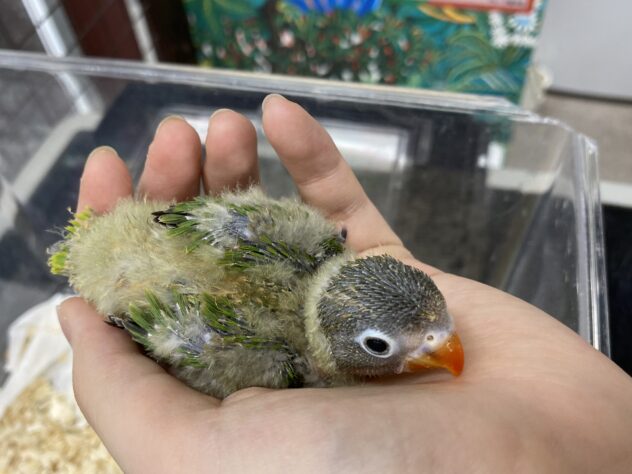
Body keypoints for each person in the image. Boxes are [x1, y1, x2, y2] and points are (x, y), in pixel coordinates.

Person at [57, 94, 632, 473]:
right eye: (379, 345)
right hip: (133, 269)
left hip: (142, 251)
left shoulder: (312, 243)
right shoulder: (275, 358)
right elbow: (197, 326)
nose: (447, 348)